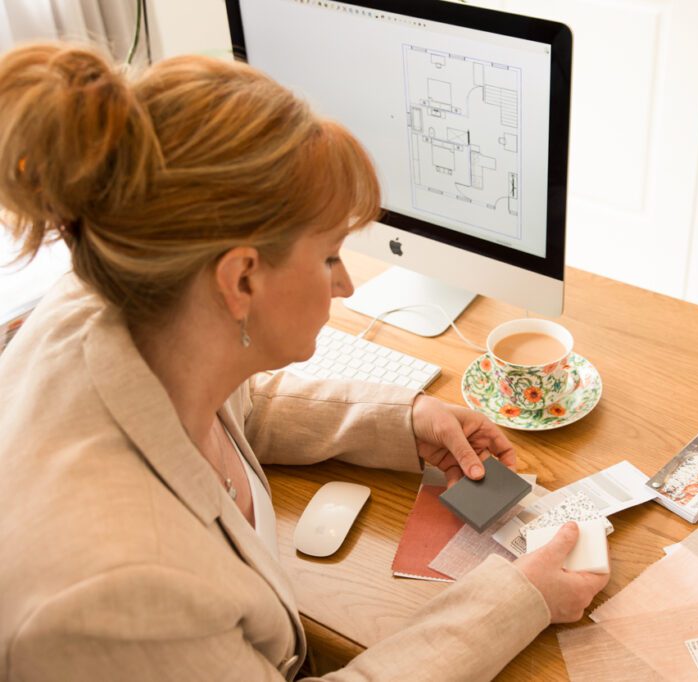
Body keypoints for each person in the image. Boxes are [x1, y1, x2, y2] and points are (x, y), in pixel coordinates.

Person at [0, 43, 608, 681]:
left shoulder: (124, 291)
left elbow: (238, 403)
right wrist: (519, 599)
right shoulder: (117, 593)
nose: (346, 284)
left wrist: (406, 420)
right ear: (240, 281)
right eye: (329, 257)